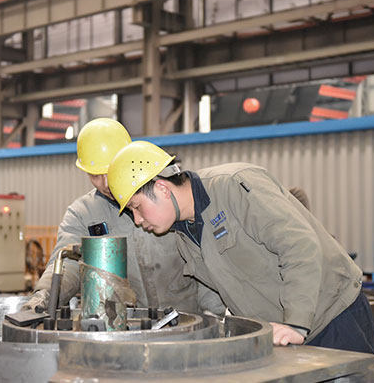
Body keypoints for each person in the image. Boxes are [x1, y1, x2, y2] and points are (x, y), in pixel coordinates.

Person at [107, 140, 374, 378]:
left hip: (332, 314)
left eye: (137, 207)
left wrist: (296, 323)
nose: (138, 220)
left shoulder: (235, 185)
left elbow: (299, 245)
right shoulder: (184, 235)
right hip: (283, 335)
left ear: (162, 188)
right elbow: (221, 291)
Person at [23, 119, 224, 315]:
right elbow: (68, 264)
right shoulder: (83, 213)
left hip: (185, 321)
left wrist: (217, 316)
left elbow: (204, 261)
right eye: (95, 175)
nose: (105, 184)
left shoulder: (166, 201)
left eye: (110, 171)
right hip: (126, 325)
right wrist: (44, 297)